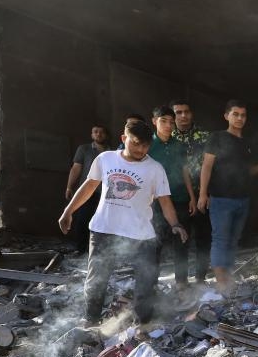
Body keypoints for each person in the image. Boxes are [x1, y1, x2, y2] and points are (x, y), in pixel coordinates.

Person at [58, 120, 188, 325]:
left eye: (145, 145)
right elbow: (89, 186)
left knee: (146, 281)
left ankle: (142, 324)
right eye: (136, 143)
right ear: (123, 138)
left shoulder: (155, 169)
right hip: (104, 229)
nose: (141, 149)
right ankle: (91, 322)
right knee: (96, 281)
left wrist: (176, 224)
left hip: (141, 234)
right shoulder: (105, 159)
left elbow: (165, 201)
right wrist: (68, 211)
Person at [198, 100, 258, 293]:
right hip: (221, 199)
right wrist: (203, 193)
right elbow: (207, 166)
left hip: (242, 200)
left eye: (243, 115)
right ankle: (221, 282)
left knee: (233, 239)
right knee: (221, 239)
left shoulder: (246, 143)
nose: (239, 118)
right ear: (226, 116)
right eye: (235, 114)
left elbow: (249, 171)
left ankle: (227, 275)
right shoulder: (217, 138)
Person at [148, 106, 195, 288]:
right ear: (154, 121)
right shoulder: (148, 145)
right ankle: (150, 284)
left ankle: (181, 283)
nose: (168, 125)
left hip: (180, 197)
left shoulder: (179, 145)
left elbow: (185, 171)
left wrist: (191, 196)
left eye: (170, 121)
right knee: (155, 244)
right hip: (155, 202)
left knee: (182, 242)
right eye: (163, 121)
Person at [170, 99, 212, 283]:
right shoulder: (167, 137)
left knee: (203, 238)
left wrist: (207, 193)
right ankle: (181, 281)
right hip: (177, 197)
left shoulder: (205, 136)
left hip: (203, 194)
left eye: (186, 111)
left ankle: (201, 278)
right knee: (180, 240)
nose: (183, 115)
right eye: (178, 112)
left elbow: (212, 166)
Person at [65, 124, 111, 253]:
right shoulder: (84, 149)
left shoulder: (112, 152)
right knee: (82, 220)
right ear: (91, 135)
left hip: (106, 194)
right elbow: (76, 168)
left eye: (101, 132)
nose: (98, 134)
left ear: (106, 135)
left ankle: (101, 252)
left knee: (103, 222)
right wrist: (69, 187)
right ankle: (80, 250)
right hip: (87, 192)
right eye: (95, 132)